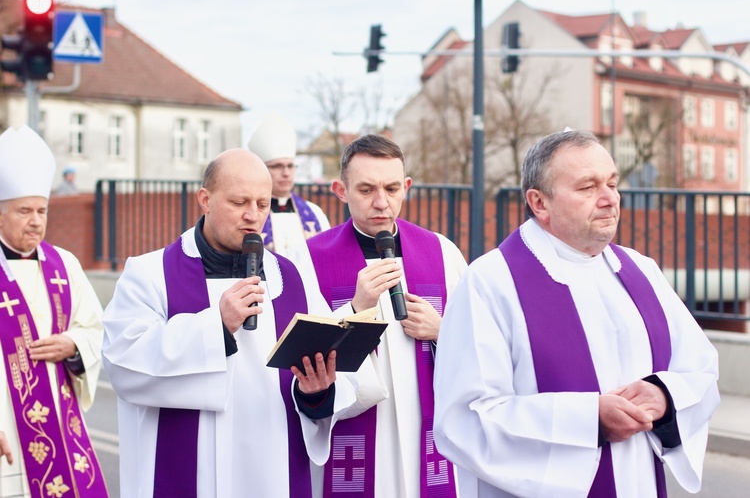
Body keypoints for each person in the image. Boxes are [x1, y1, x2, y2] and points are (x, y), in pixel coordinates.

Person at [433, 129, 720, 497]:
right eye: (588, 187)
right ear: (539, 203)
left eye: (612, 184)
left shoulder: (641, 270)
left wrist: (664, 398)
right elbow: (465, 420)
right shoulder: (490, 283)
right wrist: (590, 421)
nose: (609, 200)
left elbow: (700, 370)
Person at [102, 148, 385, 497]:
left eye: (262, 204)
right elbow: (123, 362)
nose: (253, 216)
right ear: (205, 199)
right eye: (239, 203)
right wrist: (216, 326)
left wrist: (316, 393)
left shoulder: (290, 277)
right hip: (185, 477)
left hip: (271, 472)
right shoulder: (150, 274)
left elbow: (335, 378)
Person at [298, 134, 467, 497]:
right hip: (355, 432)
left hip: (429, 434)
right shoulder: (309, 260)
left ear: (406, 186)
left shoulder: (442, 252)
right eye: (366, 189)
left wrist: (442, 331)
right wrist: (356, 309)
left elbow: (481, 345)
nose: (381, 202)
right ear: (340, 191)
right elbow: (300, 356)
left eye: (392, 188)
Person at [0, 126, 107, 497]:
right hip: (5, 431)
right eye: (24, 211)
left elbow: (95, 328)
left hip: (61, 428)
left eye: (41, 211)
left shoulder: (65, 265)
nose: (36, 221)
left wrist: (73, 345)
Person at [247, 111, 330, 256]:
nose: (286, 173)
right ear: (263, 170)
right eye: (278, 166)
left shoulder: (314, 213)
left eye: (290, 166)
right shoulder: (250, 214)